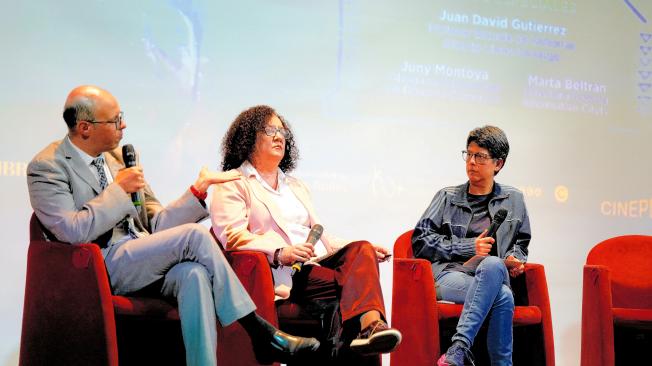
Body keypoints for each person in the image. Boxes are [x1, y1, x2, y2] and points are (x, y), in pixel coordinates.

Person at [26, 85, 320, 366]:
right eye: (115, 120)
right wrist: (117, 192)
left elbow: (157, 225)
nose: (123, 125)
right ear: (85, 127)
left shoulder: (119, 160)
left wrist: (198, 190)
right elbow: (71, 231)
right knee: (194, 235)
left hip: (140, 255)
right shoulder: (48, 166)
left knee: (193, 274)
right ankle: (259, 331)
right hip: (98, 265)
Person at [210, 105, 402, 361]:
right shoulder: (233, 182)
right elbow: (231, 237)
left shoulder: (296, 186)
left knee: (362, 249)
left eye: (282, 131)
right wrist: (280, 252)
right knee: (351, 292)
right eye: (270, 130)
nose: (280, 137)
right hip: (280, 272)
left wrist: (360, 249)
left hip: (312, 267)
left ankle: (372, 325)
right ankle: (369, 326)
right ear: (248, 137)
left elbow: (321, 235)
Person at [411, 126, 531, 366]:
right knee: (504, 295)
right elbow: (420, 241)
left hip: (492, 275)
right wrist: (469, 247)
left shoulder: (514, 199)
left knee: (495, 266)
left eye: (481, 157)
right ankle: (474, 353)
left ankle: (459, 348)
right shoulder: (446, 196)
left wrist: (516, 259)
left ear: (499, 164)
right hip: (448, 275)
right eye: (469, 154)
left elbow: (521, 242)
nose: (472, 162)